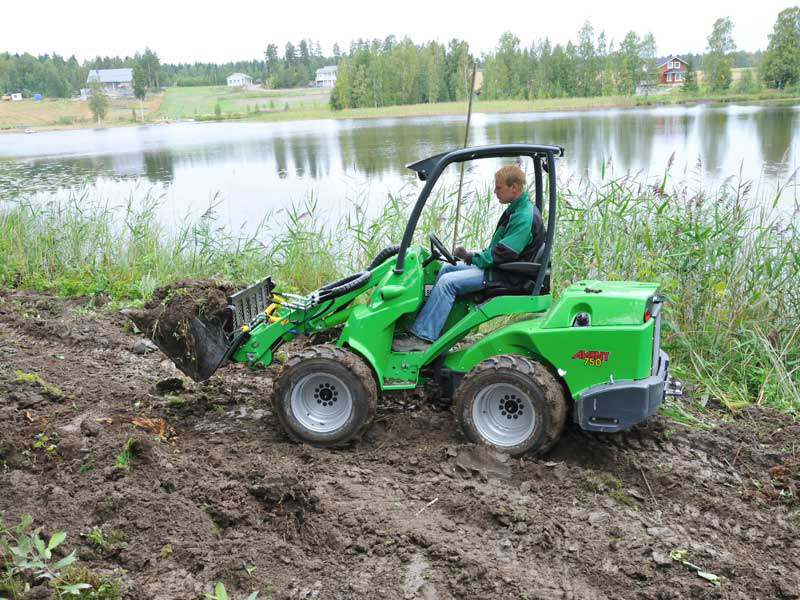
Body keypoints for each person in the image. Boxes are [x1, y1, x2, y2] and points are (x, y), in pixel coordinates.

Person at [393, 164, 544, 352]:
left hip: (508, 276)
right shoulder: (517, 210)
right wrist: (473, 256)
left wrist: (472, 257)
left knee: (447, 283)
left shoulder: (523, 216)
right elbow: (501, 250)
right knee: (447, 269)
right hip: (503, 269)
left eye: (498, 187)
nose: (495, 191)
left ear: (514, 187)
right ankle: (432, 327)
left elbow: (504, 253)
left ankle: (423, 337)